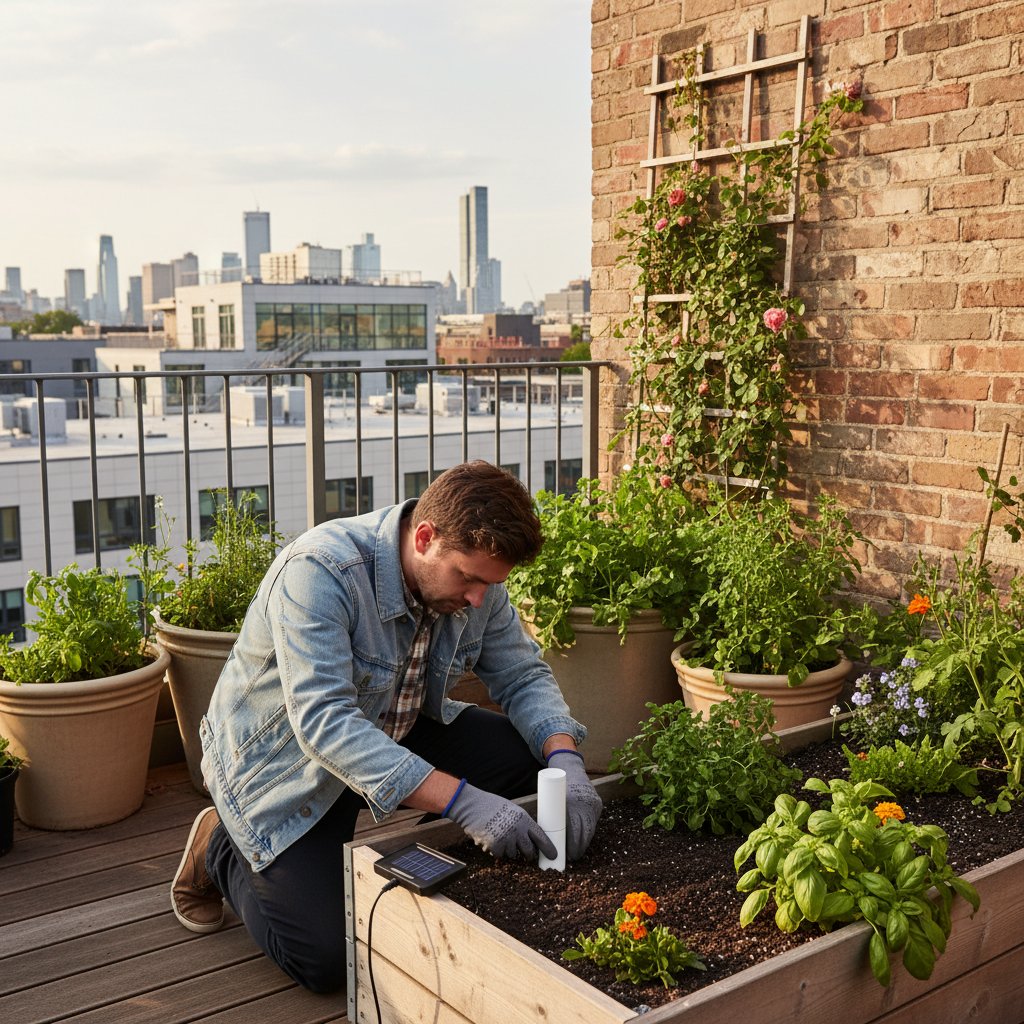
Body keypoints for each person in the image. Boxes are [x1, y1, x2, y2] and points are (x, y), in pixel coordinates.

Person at [170, 461, 602, 993]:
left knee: (532, 764)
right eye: (468, 578)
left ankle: (434, 863)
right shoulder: (320, 572)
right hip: (286, 769)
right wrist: (464, 802)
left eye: (489, 584)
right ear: (424, 538)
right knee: (327, 960)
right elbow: (325, 724)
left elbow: (522, 674)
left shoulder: (476, 583)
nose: (478, 598)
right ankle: (219, 847)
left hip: (393, 723)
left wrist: (566, 759)